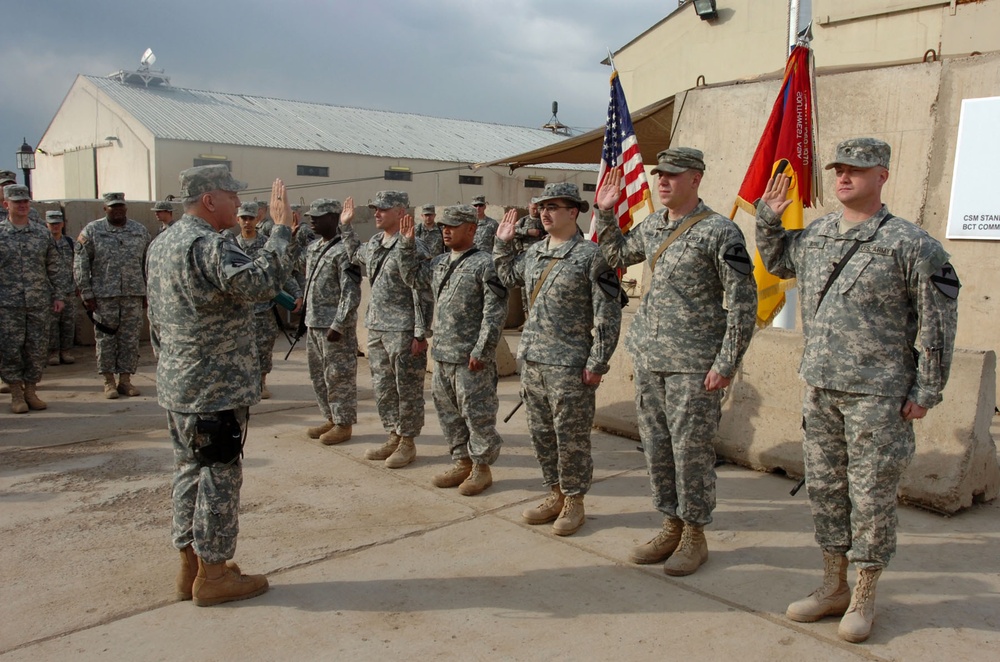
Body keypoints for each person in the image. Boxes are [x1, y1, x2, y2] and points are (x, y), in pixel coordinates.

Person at [755, 137, 959, 643]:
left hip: (879, 394)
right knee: (826, 491)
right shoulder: (819, 233)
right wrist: (767, 219)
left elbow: (937, 323)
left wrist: (927, 389)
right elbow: (780, 263)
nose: (844, 177)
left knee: (871, 497)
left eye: (857, 170)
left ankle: (865, 593)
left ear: (882, 176)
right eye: (839, 169)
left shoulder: (912, 244)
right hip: (821, 386)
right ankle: (833, 585)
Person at [595, 148, 757, 576]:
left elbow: (743, 303)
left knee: (691, 453)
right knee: (657, 448)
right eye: (659, 175)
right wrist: (607, 214)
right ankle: (670, 523)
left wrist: (726, 362)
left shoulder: (720, 232)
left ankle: (694, 535)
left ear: (696, 179)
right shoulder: (652, 226)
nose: (662, 181)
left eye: (672, 175)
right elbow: (614, 257)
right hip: (651, 357)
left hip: (694, 364)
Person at [146, 166, 293, 606]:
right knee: (218, 475)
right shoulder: (206, 244)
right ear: (209, 200)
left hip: (178, 382)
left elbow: (155, 318)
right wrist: (281, 233)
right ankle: (213, 575)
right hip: (214, 387)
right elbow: (263, 283)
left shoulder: (161, 243)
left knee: (190, 470)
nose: (238, 204)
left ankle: (190, 566)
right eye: (232, 196)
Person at [494, 183, 622, 535]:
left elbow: (608, 313)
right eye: (541, 206)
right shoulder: (534, 254)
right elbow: (506, 277)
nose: (545, 213)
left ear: (573, 212)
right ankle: (554, 492)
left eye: (554, 207)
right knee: (541, 434)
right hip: (533, 361)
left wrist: (597, 363)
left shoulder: (592, 256)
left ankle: (574, 501)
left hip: (569, 365)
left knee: (571, 438)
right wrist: (502, 243)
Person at [399, 205, 508, 495]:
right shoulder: (439, 263)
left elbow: (494, 312)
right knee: (449, 414)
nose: (445, 230)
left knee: (477, 414)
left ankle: (481, 468)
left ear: (471, 229)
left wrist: (482, 351)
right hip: (443, 355)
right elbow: (411, 277)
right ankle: (461, 461)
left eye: (453, 226)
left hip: (469, 357)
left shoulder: (487, 264)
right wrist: (407, 244)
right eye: (443, 226)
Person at [342, 190, 432, 468]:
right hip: (378, 327)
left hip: (403, 329)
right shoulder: (376, 243)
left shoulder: (415, 247)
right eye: (374, 209)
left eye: (383, 209)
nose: (376, 214)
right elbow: (355, 254)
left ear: (401, 212)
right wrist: (345, 226)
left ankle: (408, 442)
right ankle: (393, 434)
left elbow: (422, 292)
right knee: (383, 387)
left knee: (407, 389)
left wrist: (420, 332)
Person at [74, 192, 152, 399]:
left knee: (130, 339)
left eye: (121, 207)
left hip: (133, 293)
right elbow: (81, 263)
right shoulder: (92, 231)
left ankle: (125, 380)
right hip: (103, 295)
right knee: (105, 338)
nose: (117, 210)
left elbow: (148, 263)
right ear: (105, 209)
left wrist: (148, 291)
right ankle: (108, 381)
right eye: (112, 207)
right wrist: (86, 292)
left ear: (126, 208)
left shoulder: (139, 231)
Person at [300, 197, 362, 445]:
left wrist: (340, 324)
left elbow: (351, 291)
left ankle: (343, 423)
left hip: (334, 326)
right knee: (318, 375)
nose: (312, 220)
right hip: (314, 322)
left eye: (318, 216)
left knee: (339, 376)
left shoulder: (344, 251)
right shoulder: (314, 248)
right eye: (311, 216)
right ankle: (330, 417)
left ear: (334, 218)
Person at [0, 185, 67, 412]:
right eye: (17, 202)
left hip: (38, 302)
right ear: (5, 204)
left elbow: (54, 267)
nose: (22, 205)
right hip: (8, 304)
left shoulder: (42, 234)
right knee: (11, 349)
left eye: (26, 202)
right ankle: (16, 394)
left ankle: (31, 390)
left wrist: (59, 295)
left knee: (37, 349)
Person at [235, 202, 302, 400]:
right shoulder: (230, 245)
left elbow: (282, 273)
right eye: (243, 218)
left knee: (264, 347)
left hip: (264, 309)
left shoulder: (267, 244)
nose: (247, 222)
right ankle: (245, 383)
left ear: (257, 219)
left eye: (251, 218)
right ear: (238, 220)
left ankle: (262, 382)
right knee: (240, 349)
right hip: (239, 309)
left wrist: (297, 293)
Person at [45, 210, 77, 366]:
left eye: (57, 223)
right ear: (47, 225)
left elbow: (77, 265)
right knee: (51, 324)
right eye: (52, 224)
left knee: (68, 323)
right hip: (49, 292)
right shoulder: (44, 243)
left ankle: (66, 350)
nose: (55, 226)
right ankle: (53, 352)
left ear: (63, 224)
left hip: (69, 290)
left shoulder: (70, 243)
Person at [513, 199, 545, 317]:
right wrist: (528, 232)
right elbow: (514, 231)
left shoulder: (544, 220)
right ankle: (526, 318)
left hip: (542, 257)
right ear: (529, 207)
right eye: (533, 208)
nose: (536, 211)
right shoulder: (524, 221)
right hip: (525, 257)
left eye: (538, 208)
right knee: (524, 288)